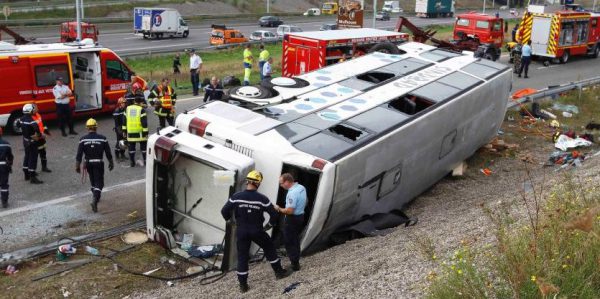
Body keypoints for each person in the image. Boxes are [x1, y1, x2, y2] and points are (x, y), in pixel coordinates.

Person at [221, 170, 291, 293]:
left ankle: (243, 285)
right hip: (257, 230)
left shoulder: (236, 197)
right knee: (269, 248)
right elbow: (274, 214)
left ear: (247, 181)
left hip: (241, 230)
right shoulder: (262, 199)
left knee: (242, 256)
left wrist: (229, 221)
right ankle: (279, 272)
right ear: (258, 183)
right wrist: (269, 225)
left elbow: (224, 211)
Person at [76, 118, 114, 213]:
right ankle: (95, 199)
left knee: (93, 181)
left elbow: (79, 154)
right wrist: (111, 162)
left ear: (87, 128)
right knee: (100, 183)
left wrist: (77, 165)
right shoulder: (102, 138)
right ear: (96, 127)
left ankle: (96, 195)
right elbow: (108, 152)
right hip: (98, 162)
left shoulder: (83, 139)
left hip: (88, 163)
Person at [275, 173, 306, 272]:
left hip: (292, 219)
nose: (281, 186)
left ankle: (294, 264)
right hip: (300, 216)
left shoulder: (291, 193)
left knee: (289, 241)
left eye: (281, 183)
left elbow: (289, 211)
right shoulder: (301, 187)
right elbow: (306, 200)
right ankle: (296, 259)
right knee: (295, 239)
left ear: (287, 182)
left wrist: (279, 208)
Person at [122, 94, 149, 167]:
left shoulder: (127, 109)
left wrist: (124, 131)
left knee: (131, 148)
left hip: (130, 133)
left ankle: (132, 162)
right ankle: (146, 161)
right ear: (140, 102)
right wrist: (146, 132)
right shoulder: (141, 110)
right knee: (144, 148)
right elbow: (144, 123)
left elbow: (124, 121)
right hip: (140, 133)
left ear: (134, 101)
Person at [20, 104, 43, 184]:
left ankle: (26, 174)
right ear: (30, 111)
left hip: (25, 141)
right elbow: (37, 130)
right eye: (33, 109)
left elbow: (18, 126)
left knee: (27, 156)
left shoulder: (21, 119)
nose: (34, 110)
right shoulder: (31, 120)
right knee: (33, 158)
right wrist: (39, 135)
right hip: (32, 142)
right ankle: (32, 177)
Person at [32, 104, 51, 173]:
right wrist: (41, 135)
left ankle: (44, 167)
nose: (38, 109)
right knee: (34, 155)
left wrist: (46, 131)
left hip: (42, 138)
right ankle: (32, 170)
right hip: (36, 139)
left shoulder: (38, 115)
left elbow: (43, 124)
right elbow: (31, 131)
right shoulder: (30, 118)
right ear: (32, 109)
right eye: (36, 108)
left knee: (43, 153)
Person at [0, 127, 13, 208]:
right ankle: (4, 202)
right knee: (4, 184)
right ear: (1, 133)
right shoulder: (6, 143)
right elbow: (10, 156)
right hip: (3, 166)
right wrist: (10, 164)